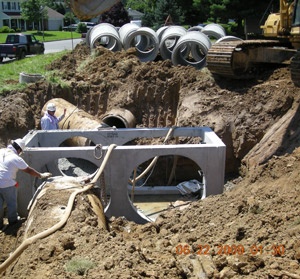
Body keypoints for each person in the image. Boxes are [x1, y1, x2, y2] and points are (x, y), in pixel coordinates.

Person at [0, 138, 52, 229]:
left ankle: (0, 224)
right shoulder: (16, 158)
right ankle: (13, 222)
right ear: (19, 149)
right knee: (11, 203)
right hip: (7, 184)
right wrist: (40, 175)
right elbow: (29, 170)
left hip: (5, 181)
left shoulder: (1, 151)